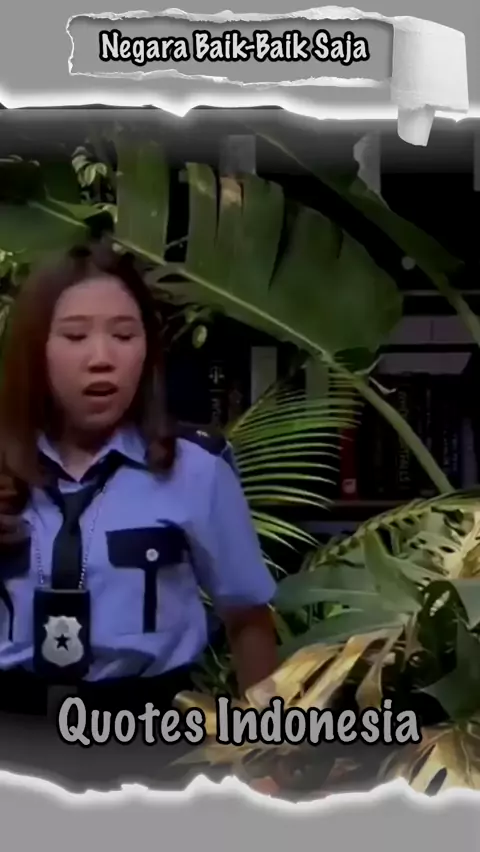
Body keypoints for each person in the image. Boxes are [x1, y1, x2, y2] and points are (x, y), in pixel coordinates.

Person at [0, 242, 278, 719]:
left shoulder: (196, 469)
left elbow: (248, 617)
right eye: (75, 336)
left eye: (124, 335)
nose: (101, 357)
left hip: (146, 730)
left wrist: (269, 740)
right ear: (34, 349)